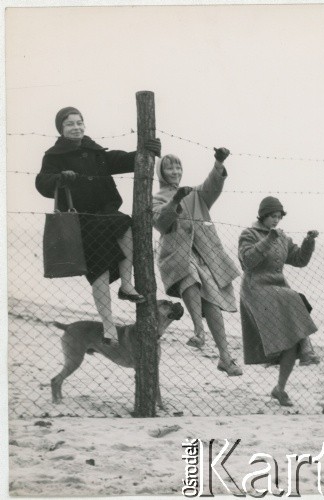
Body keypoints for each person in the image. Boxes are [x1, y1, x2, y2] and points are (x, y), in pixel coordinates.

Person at [36, 106, 161, 344]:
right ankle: (108, 325)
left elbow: (124, 159)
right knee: (99, 271)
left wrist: (147, 151)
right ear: (61, 129)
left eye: (79, 122)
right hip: (81, 221)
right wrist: (60, 177)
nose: (76, 127)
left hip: (107, 215)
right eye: (70, 124)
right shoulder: (53, 156)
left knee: (126, 225)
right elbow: (41, 183)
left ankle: (126, 285)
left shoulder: (95, 152)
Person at [152, 147, 243, 376]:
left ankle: (225, 357)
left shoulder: (194, 193)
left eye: (178, 166)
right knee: (189, 275)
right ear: (161, 172)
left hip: (204, 253)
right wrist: (175, 201)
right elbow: (161, 223)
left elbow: (211, 187)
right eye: (169, 167)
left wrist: (218, 164)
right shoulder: (155, 198)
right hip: (175, 254)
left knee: (211, 298)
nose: (175, 171)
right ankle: (198, 331)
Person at [238, 196, 319, 406]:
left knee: (291, 341)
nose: (276, 221)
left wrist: (309, 242)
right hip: (255, 288)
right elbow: (247, 262)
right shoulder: (249, 234)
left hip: (278, 289)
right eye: (272, 216)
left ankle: (280, 389)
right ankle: (308, 349)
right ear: (263, 215)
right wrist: (267, 240)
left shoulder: (282, 237)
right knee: (294, 297)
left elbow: (300, 260)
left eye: (279, 217)